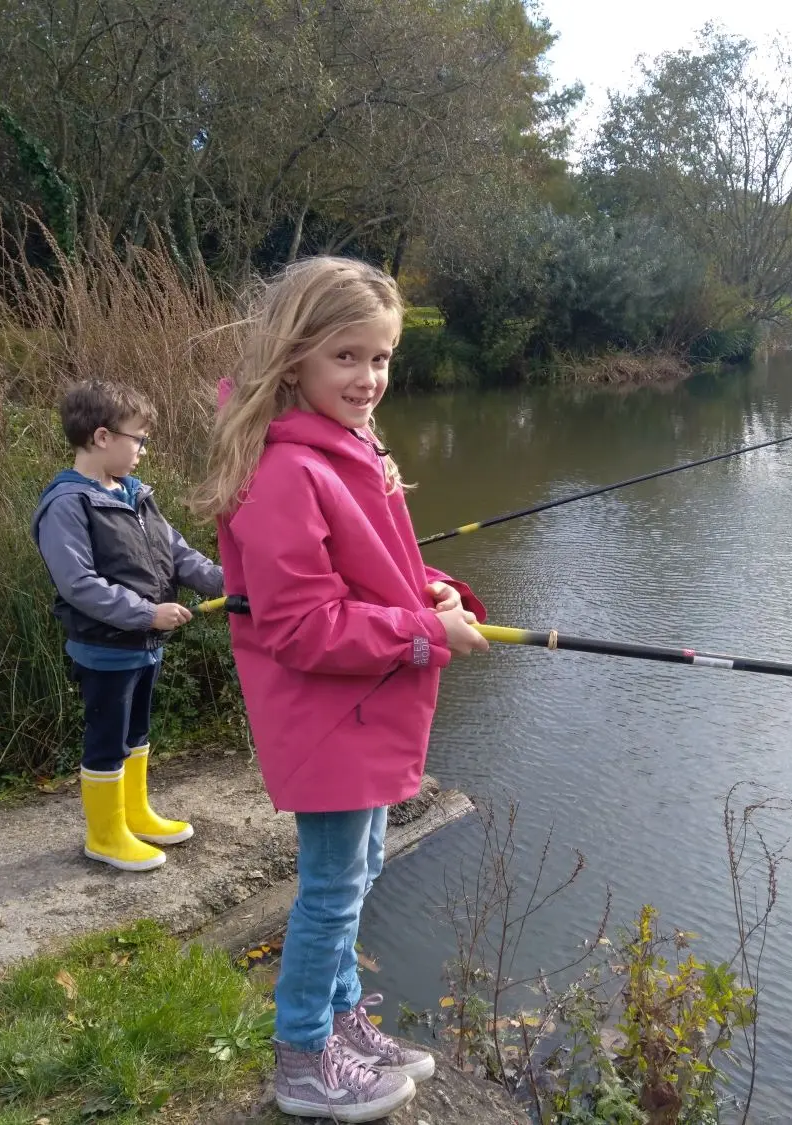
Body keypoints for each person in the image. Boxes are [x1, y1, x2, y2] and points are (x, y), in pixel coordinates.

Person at [192, 257, 488, 1121]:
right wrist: (427, 632)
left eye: (383, 358)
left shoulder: (348, 446)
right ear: (295, 359)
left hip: (362, 706)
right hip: (327, 718)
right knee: (331, 885)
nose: (370, 379)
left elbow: (371, 568)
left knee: (361, 868)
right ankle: (300, 1056)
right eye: (348, 358)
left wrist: (432, 589)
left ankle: (340, 1019)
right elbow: (300, 625)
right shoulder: (286, 471)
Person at [32, 380, 223, 872]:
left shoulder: (136, 494)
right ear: (101, 437)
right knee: (107, 739)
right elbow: (79, 584)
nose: (142, 449)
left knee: (137, 731)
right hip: (106, 648)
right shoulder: (67, 504)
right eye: (138, 438)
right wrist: (146, 613)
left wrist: (229, 581)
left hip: (145, 645)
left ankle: (134, 813)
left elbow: (177, 553)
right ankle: (105, 835)